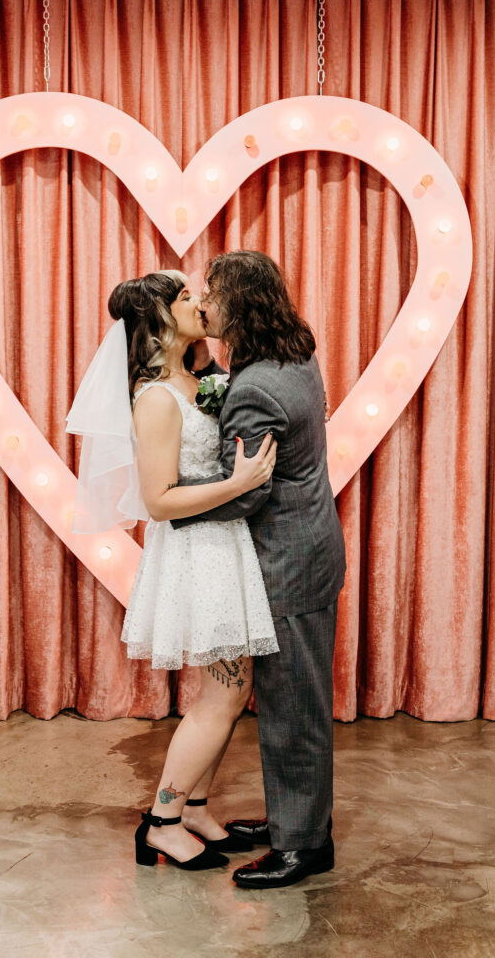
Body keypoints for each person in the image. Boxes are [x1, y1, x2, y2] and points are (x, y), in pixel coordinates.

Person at [67, 269, 279, 873]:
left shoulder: (199, 380)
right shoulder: (158, 398)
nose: (200, 303)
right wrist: (236, 483)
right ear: (159, 319)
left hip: (223, 546)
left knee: (230, 691)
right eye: (186, 296)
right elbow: (158, 500)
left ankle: (195, 809)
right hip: (198, 554)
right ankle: (161, 820)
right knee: (226, 691)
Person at [171, 249, 347, 889]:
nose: (201, 302)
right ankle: (292, 819)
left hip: (287, 564)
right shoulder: (293, 353)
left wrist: (171, 509)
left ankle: (304, 845)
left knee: (293, 707)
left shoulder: (254, 387)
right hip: (313, 546)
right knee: (294, 699)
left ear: (236, 304)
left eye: (210, 292)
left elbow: (246, 492)